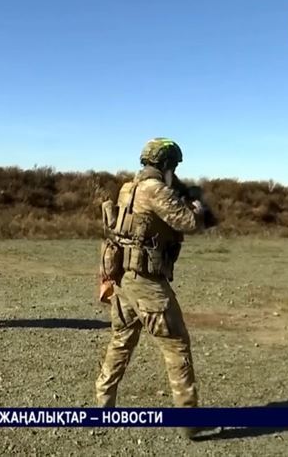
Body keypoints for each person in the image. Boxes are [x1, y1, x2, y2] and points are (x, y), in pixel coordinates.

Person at [95, 138, 217, 440]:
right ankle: (189, 420)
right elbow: (189, 222)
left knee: (120, 342)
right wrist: (198, 204)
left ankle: (103, 405)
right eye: (172, 166)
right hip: (147, 285)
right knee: (176, 346)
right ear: (166, 165)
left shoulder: (128, 188)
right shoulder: (157, 191)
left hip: (122, 278)